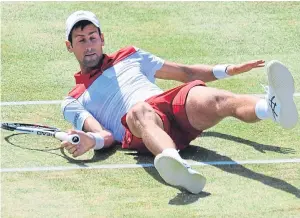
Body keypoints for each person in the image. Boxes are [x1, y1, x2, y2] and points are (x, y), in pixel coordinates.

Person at [61, 11, 298, 194]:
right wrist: (90, 139)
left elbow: (185, 72)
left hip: (166, 105)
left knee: (217, 98)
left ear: (102, 39)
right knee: (140, 111)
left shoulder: (130, 55)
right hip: (140, 127)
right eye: (81, 40)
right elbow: (107, 136)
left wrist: (228, 70)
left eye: (93, 37)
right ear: (70, 46)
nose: (89, 45)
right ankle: (173, 163)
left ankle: (271, 108)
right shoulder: (73, 99)